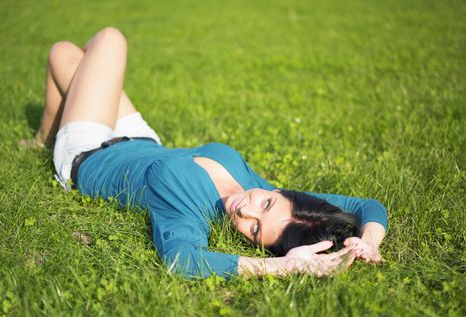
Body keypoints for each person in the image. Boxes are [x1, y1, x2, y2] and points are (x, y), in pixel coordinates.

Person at [32, 27, 388, 280]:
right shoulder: (260, 185)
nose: (245, 211)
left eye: (253, 230)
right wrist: (366, 243)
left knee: (108, 40)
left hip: (89, 153)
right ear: (281, 194)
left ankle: (55, 144)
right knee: (66, 53)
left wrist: (284, 266)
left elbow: (182, 261)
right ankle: (41, 140)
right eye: (264, 205)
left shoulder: (189, 209)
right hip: (141, 140)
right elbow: (367, 206)